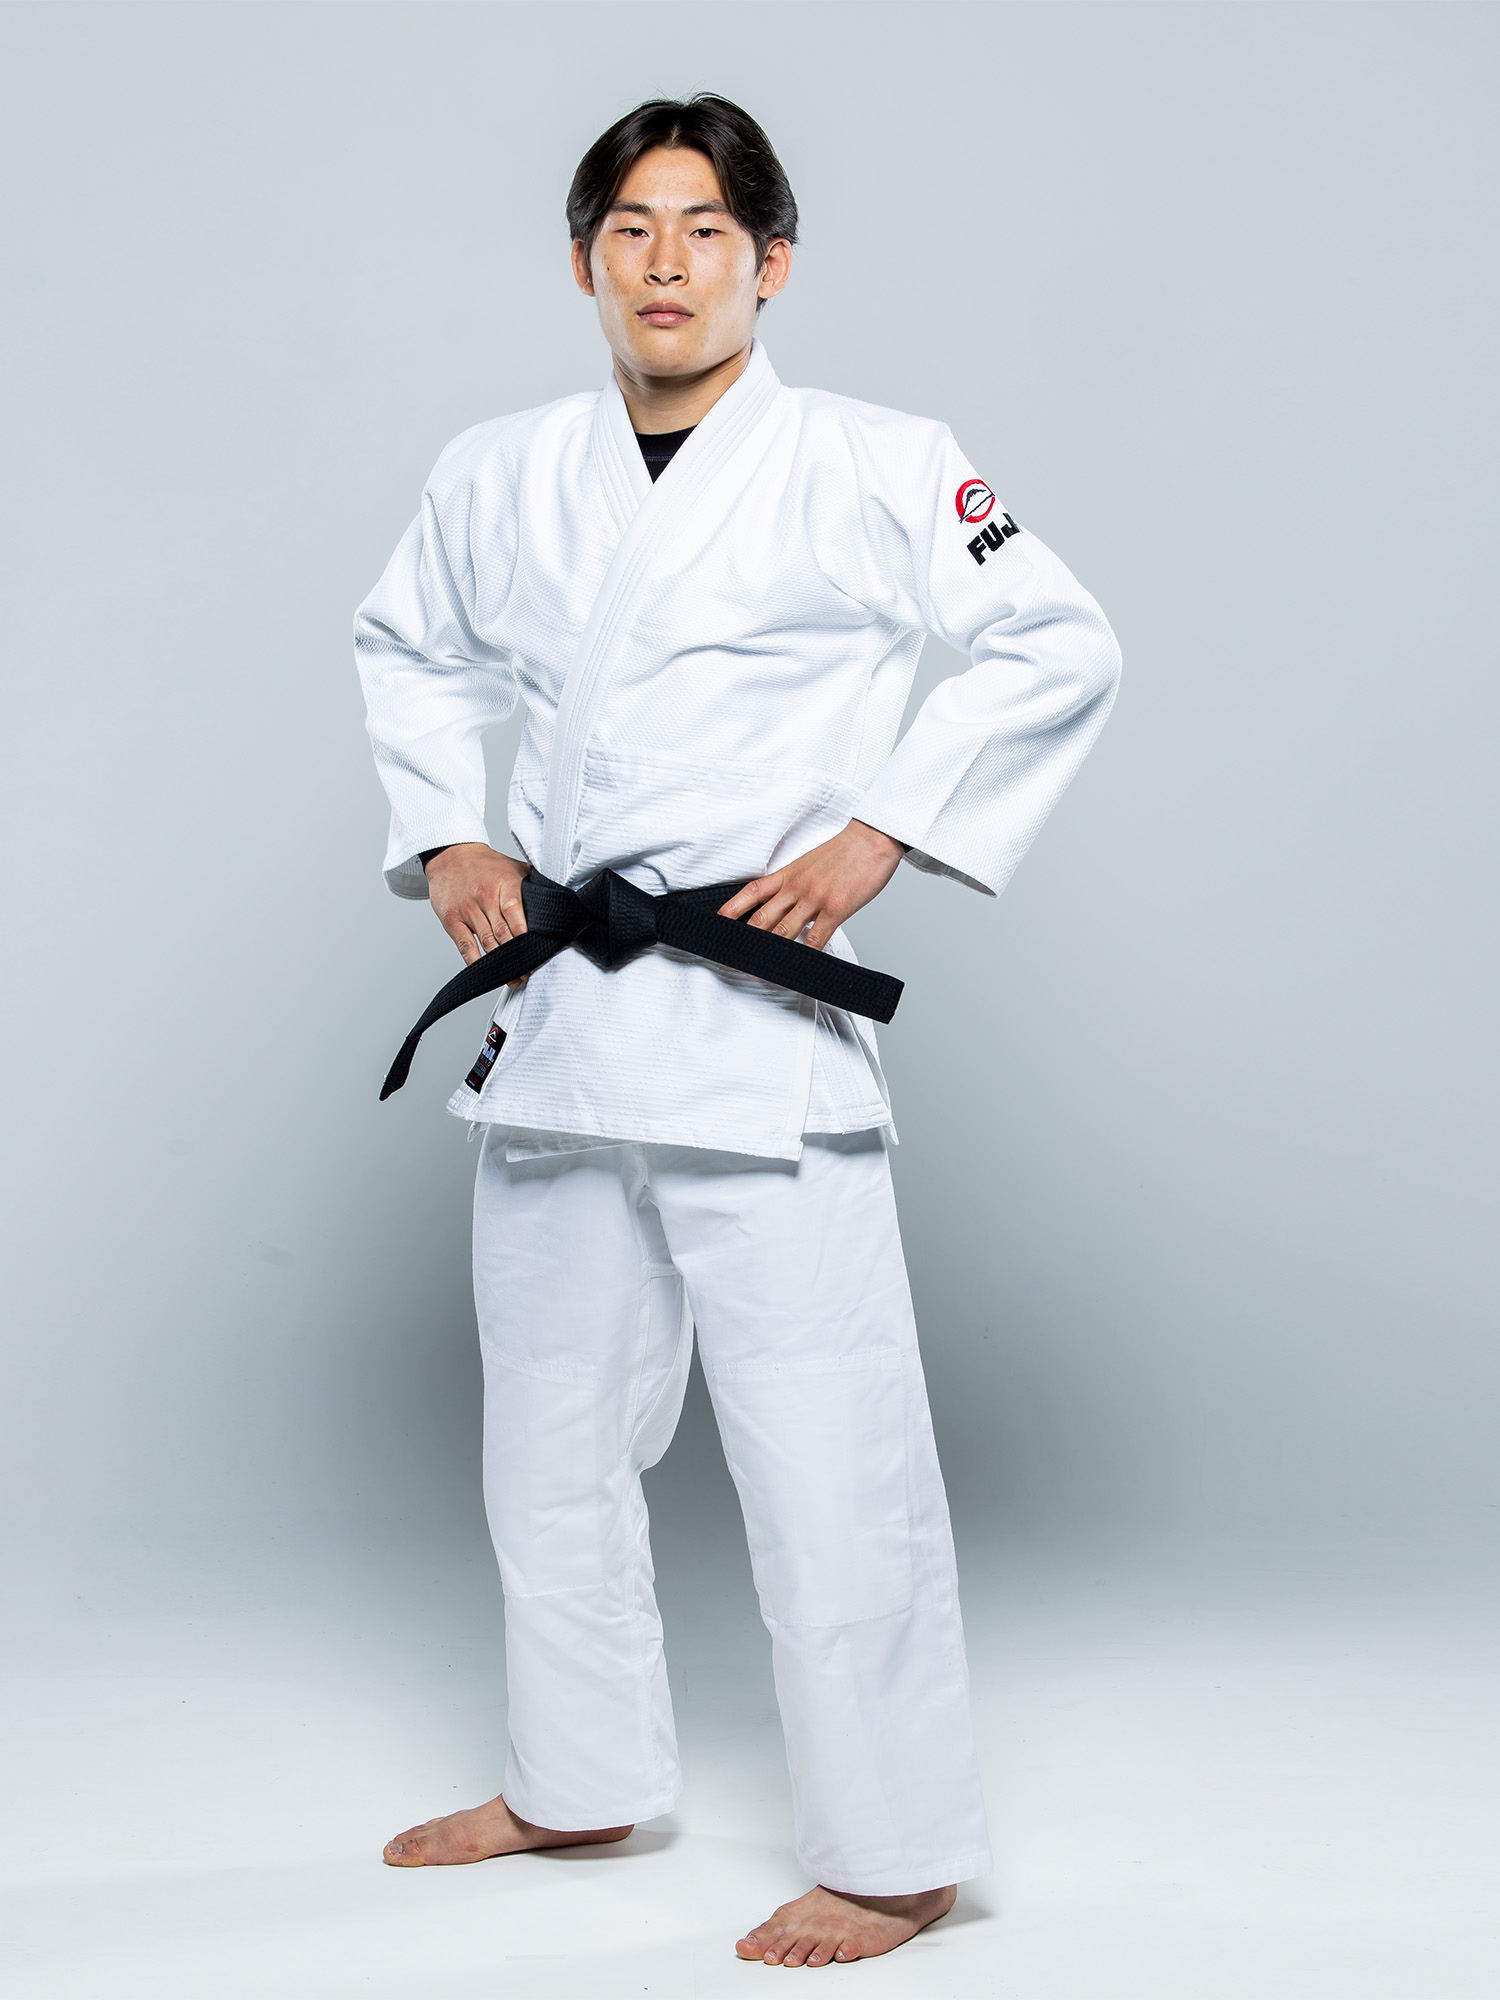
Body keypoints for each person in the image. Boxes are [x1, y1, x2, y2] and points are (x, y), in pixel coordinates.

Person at [354, 94, 1120, 1969]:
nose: (666, 262)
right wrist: (455, 830)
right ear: (583, 260)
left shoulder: (878, 459)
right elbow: (406, 648)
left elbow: (1056, 637)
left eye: (706, 230)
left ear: (771, 263)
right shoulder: (496, 469)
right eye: (629, 228)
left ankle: (898, 1846)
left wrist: (885, 835)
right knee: (545, 1438)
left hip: (754, 1018)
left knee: (826, 1450)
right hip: (562, 1013)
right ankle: (576, 1776)